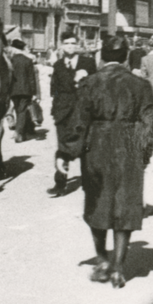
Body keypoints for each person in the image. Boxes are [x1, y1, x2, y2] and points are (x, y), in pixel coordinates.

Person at [63, 33, 153, 288]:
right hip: (129, 146)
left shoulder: (89, 84)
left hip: (97, 146)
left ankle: (102, 260)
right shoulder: (141, 86)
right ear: (126, 57)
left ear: (102, 56)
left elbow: (78, 123)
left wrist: (67, 153)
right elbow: (149, 127)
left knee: (98, 201)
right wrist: (144, 155)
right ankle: (118, 268)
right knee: (126, 202)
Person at [50, 29, 96, 196]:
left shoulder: (88, 63)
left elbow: (96, 87)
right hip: (62, 111)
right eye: (66, 43)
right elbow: (54, 89)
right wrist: (55, 111)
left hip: (83, 111)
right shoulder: (57, 65)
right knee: (62, 147)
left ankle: (88, 182)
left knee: (85, 146)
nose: (69, 47)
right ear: (61, 46)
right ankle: (60, 183)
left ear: (78, 45)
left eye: (72, 43)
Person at [9, 39, 38, 142]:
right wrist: (34, 92)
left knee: (18, 111)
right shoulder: (28, 60)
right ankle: (18, 132)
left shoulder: (10, 60)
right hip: (26, 90)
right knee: (22, 111)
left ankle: (22, 133)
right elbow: (31, 78)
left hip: (13, 90)